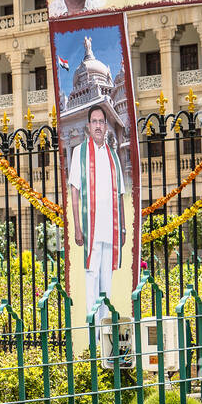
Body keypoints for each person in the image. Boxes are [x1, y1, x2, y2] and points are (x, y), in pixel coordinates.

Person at [68, 103, 129, 368]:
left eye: (101, 121)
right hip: (91, 229)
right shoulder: (80, 153)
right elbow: (74, 191)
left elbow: (120, 193)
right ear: (88, 126)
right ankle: (92, 345)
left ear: (105, 126)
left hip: (111, 228)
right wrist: (78, 227)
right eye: (93, 121)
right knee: (92, 285)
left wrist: (124, 226)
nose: (98, 125)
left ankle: (106, 345)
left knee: (107, 287)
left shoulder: (114, 156)